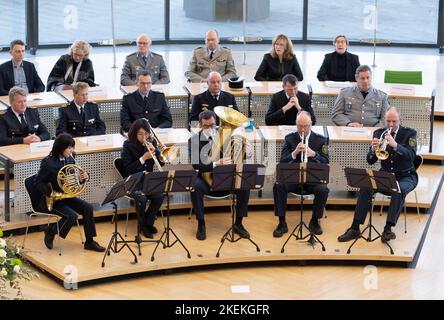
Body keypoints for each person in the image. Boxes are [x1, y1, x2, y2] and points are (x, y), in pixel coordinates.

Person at [338, 108, 418, 243]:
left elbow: (411, 156)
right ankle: (355, 227)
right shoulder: (379, 132)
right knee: (365, 186)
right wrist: (373, 150)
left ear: (400, 119)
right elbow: (370, 161)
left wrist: (395, 145)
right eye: (388, 121)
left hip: (406, 176)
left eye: (394, 121)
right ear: (384, 120)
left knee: (398, 190)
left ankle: (388, 230)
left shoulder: (410, 133)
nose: (391, 124)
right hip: (385, 174)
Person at [33, 133, 106, 252]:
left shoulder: (70, 158)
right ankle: (50, 230)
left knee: (88, 208)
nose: (72, 150)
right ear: (60, 148)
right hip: (52, 200)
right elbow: (38, 182)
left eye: (72, 147)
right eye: (69, 148)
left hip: (66, 196)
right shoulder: (47, 162)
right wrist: (50, 192)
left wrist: (83, 178)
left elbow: (73, 179)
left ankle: (90, 241)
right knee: (72, 216)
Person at [189, 110, 251, 240]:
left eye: (212, 125)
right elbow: (196, 165)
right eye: (206, 126)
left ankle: (238, 223)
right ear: (200, 126)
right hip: (206, 179)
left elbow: (236, 157)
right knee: (195, 186)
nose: (210, 128)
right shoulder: (194, 140)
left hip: (225, 177)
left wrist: (246, 153)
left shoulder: (226, 135)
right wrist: (216, 163)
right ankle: (201, 223)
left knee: (244, 185)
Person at [272, 111, 329, 237]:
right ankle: (282, 222)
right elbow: (283, 160)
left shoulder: (321, 140)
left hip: (312, 178)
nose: (302, 129)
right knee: (278, 186)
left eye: (306, 126)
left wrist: (314, 154)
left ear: (311, 124)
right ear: (296, 124)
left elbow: (326, 161)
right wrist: (295, 152)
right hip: (293, 177)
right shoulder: (289, 138)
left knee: (323, 190)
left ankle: (315, 221)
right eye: (299, 126)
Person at [121, 118, 164, 238]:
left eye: (146, 133)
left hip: (147, 180)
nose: (143, 137)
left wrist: (159, 156)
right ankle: (143, 226)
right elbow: (128, 169)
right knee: (142, 199)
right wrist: (143, 158)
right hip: (133, 181)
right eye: (140, 134)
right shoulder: (128, 145)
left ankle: (147, 223)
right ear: (134, 133)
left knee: (160, 196)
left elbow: (160, 164)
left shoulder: (152, 143)